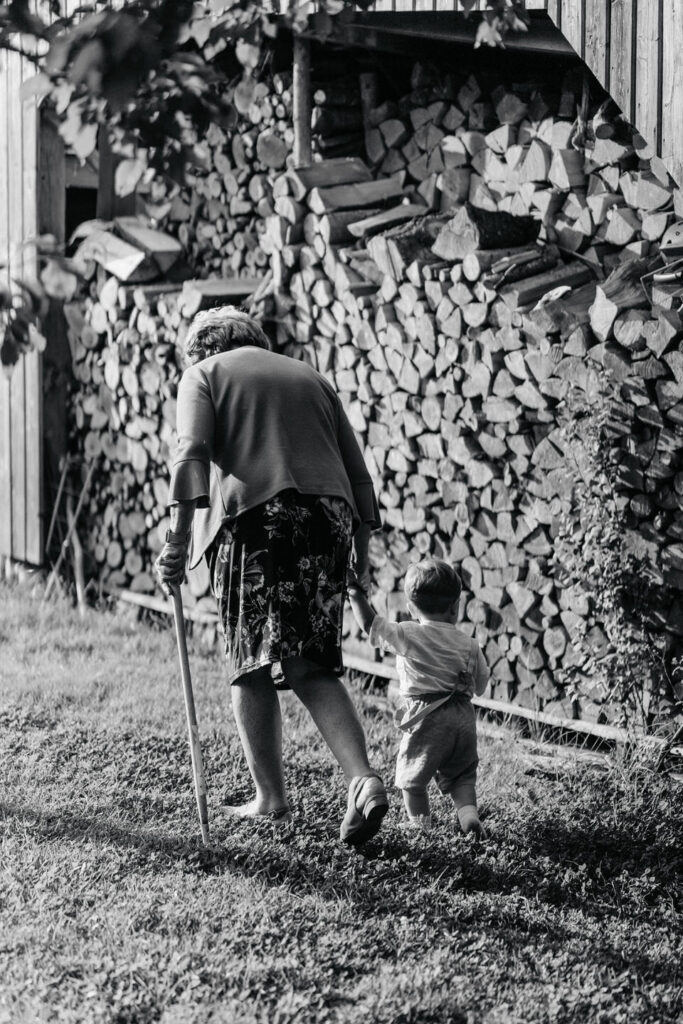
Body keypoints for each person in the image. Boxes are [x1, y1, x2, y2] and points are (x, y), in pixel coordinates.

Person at [154, 306, 388, 845]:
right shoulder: (313, 378)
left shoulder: (203, 375)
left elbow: (189, 452)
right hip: (329, 519)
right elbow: (358, 474)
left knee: (250, 664)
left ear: (202, 348)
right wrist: (361, 556)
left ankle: (271, 799)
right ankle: (363, 779)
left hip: (257, 521)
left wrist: (178, 538)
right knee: (311, 664)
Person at [347, 557, 488, 838]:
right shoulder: (469, 644)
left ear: (411, 608)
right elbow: (481, 685)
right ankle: (468, 816)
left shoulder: (407, 633)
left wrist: (354, 592)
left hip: (426, 717)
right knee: (461, 776)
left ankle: (421, 826)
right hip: (462, 716)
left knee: (412, 780)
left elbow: (370, 625)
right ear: (456, 607)